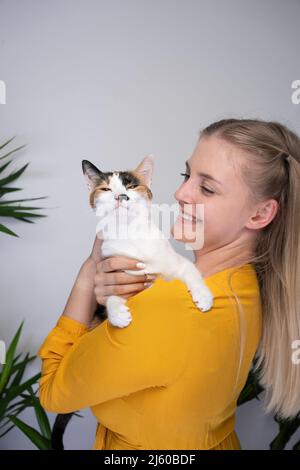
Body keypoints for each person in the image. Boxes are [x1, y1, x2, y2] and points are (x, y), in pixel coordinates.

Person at [37, 118, 300, 450]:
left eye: (207, 188)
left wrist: (90, 270)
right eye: (186, 175)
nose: (179, 193)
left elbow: (51, 392)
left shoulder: (170, 309)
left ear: (260, 215)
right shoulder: (245, 286)